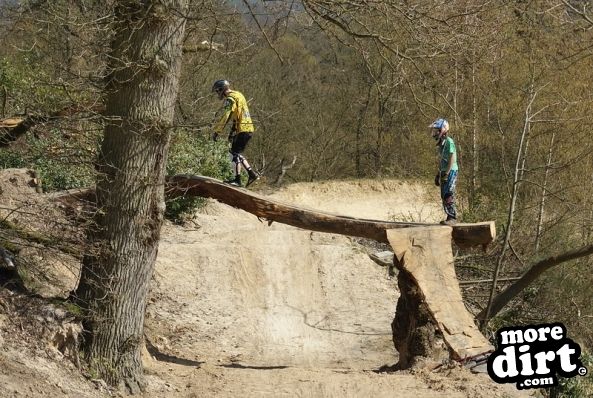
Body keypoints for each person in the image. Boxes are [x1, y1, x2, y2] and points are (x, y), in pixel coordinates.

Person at [211, 79, 259, 187]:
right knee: (235, 153)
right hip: (247, 128)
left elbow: (226, 116)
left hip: (242, 129)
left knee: (234, 154)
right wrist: (232, 131)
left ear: (221, 89)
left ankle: (238, 180)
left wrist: (217, 131)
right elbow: (238, 114)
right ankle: (251, 174)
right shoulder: (239, 95)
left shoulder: (230, 99)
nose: (217, 94)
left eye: (217, 91)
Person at [429, 118, 458, 225]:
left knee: (448, 193)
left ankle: (452, 217)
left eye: (436, 130)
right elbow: (441, 160)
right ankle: (448, 216)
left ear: (443, 129)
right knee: (443, 194)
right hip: (444, 171)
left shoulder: (449, 142)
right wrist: (438, 174)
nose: (434, 132)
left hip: (451, 171)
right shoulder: (441, 143)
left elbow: (452, 158)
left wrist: (447, 172)